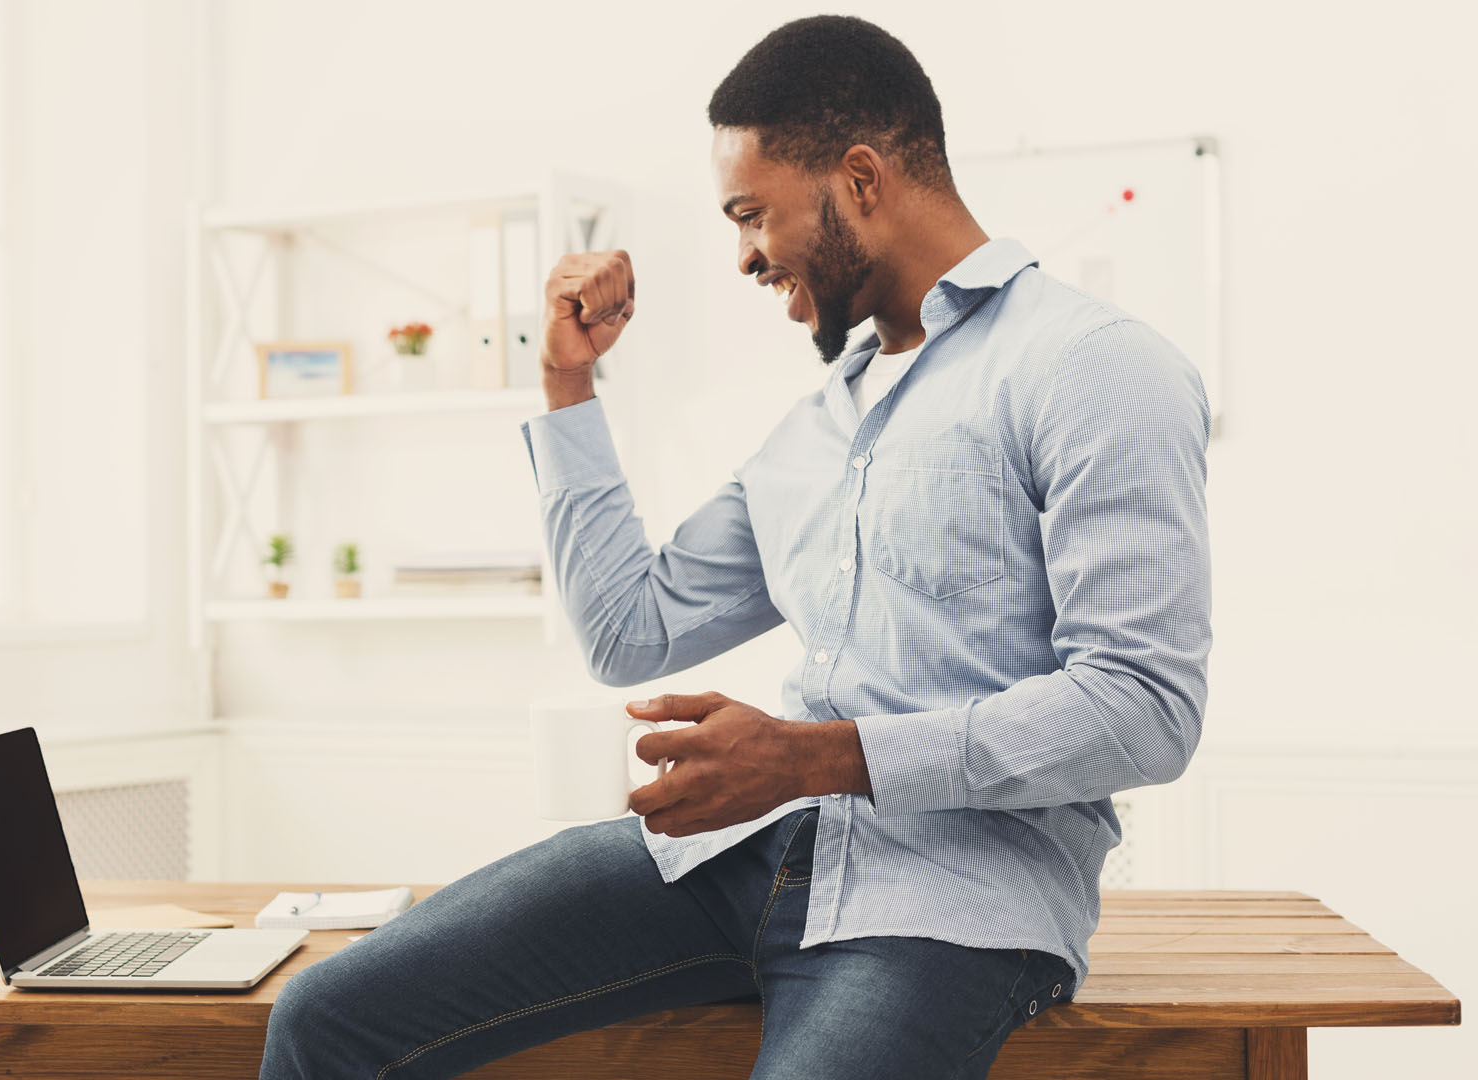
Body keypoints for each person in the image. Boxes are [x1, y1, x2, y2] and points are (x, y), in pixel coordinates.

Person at [260, 14, 1210, 1079]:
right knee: (323, 1017)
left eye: (753, 215)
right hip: (729, 857)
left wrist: (811, 758)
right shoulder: (817, 428)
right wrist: (568, 381)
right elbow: (629, 632)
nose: (746, 256)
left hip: (953, 905)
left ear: (860, 179)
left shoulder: (1092, 366)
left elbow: (1144, 708)